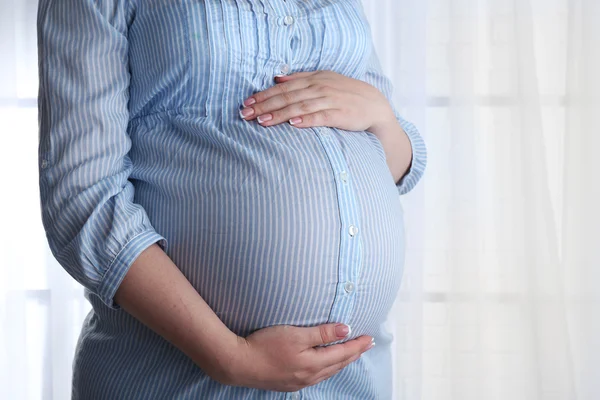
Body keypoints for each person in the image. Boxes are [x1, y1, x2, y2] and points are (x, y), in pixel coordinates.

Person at [37, 0, 427, 398]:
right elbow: (81, 197)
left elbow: (401, 169)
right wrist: (229, 356)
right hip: (180, 382)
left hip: (352, 381)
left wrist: (379, 114)